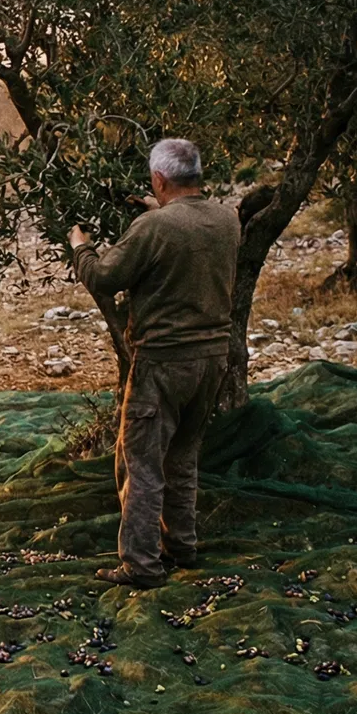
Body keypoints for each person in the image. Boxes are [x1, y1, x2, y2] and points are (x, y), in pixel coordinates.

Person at [69, 138, 240, 589]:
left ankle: (141, 565)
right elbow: (188, 235)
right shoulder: (228, 219)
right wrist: (155, 210)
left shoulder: (154, 229)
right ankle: (180, 547)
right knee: (183, 457)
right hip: (212, 360)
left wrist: (80, 246)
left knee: (140, 464)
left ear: (159, 179)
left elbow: (105, 277)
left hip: (162, 362)